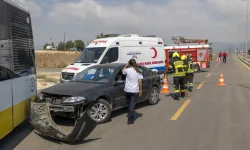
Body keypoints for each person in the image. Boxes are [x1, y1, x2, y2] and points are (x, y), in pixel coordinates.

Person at [122, 59, 143, 124]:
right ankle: (130, 119)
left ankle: (131, 115)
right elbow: (140, 82)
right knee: (132, 105)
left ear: (129, 64)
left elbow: (122, 70)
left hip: (127, 90)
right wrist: (140, 90)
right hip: (134, 91)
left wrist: (126, 64)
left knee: (129, 104)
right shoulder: (138, 71)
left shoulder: (127, 70)